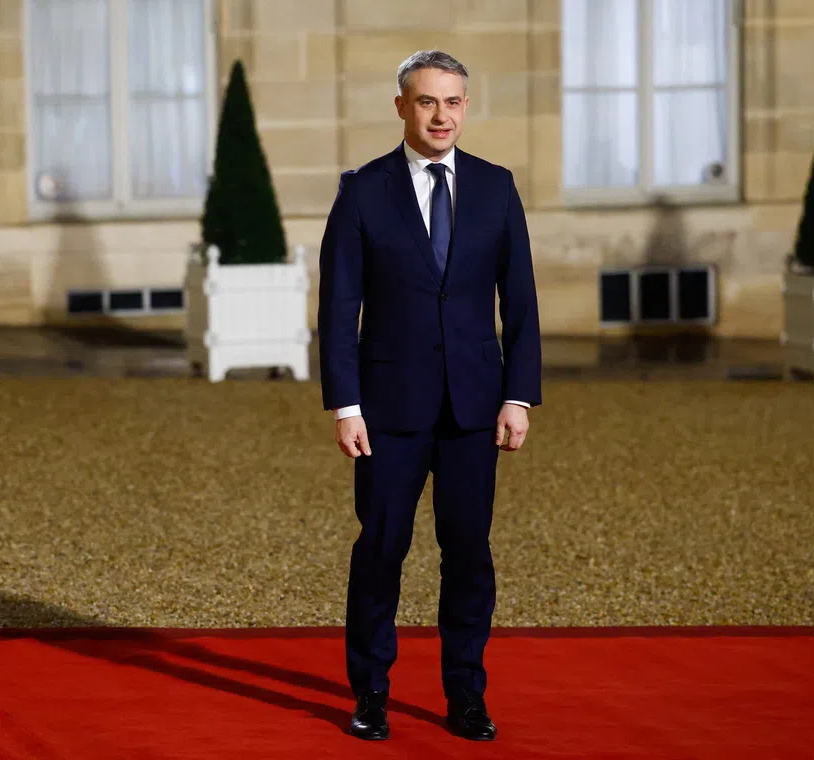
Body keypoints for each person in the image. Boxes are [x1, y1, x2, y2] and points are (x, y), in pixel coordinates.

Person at [317, 49, 542, 742]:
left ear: (465, 107)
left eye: (453, 102)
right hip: (387, 409)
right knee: (382, 547)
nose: (441, 115)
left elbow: (523, 303)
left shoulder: (498, 188)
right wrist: (345, 404)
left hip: (475, 408)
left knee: (468, 551)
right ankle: (372, 693)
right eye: (427, 101)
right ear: (401, 107)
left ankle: (466, 696)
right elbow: (338, 306)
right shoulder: (362, 191)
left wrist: (519, 396)